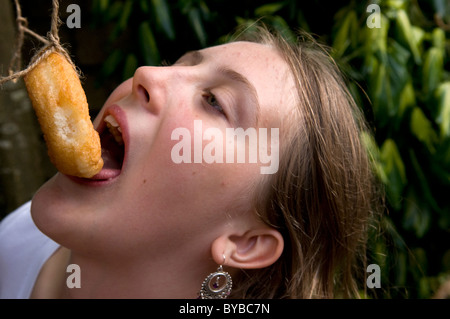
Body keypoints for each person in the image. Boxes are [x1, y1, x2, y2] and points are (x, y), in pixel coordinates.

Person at [0, 25, 379, 299]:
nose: (146, 74)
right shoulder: (18, 235)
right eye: (177, 63)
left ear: (246, 244)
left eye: (215, 101)